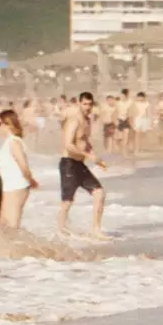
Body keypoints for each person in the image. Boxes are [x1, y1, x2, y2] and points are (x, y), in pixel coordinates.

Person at [59, 92, 110, 239]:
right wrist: (88, 155)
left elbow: (85, 143)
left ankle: (96, 229)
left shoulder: (87, 121)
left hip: (79, 164)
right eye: (85, 104)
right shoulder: (74, 120)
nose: (87, 107)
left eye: (90, 104)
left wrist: (95, 158)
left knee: (99, 193)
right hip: (68, 163)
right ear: (79, 104)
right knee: (67, 201)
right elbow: (68, 144)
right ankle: (60, 230)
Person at [0, 109, 40, 230]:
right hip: (10, 186)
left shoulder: (14, 142)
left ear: (7, 124)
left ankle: (23, 247)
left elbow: (23, 164)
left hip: (17, 185)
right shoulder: (9, 141)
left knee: (12, 225)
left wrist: (31, 180)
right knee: (3, 224)